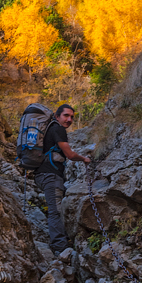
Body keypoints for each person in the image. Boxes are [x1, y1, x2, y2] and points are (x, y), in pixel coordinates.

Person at [35, 103, 90, 254]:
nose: (69, 119)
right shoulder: (57, 129)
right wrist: (84, 159)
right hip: (50, 176)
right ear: (57, 116)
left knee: (59, 207)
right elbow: (70, 155)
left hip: (44, 175)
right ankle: (60, 247)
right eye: (66, 115)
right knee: (56, 211)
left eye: (72, 117)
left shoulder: (48, 129)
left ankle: (63, 239)